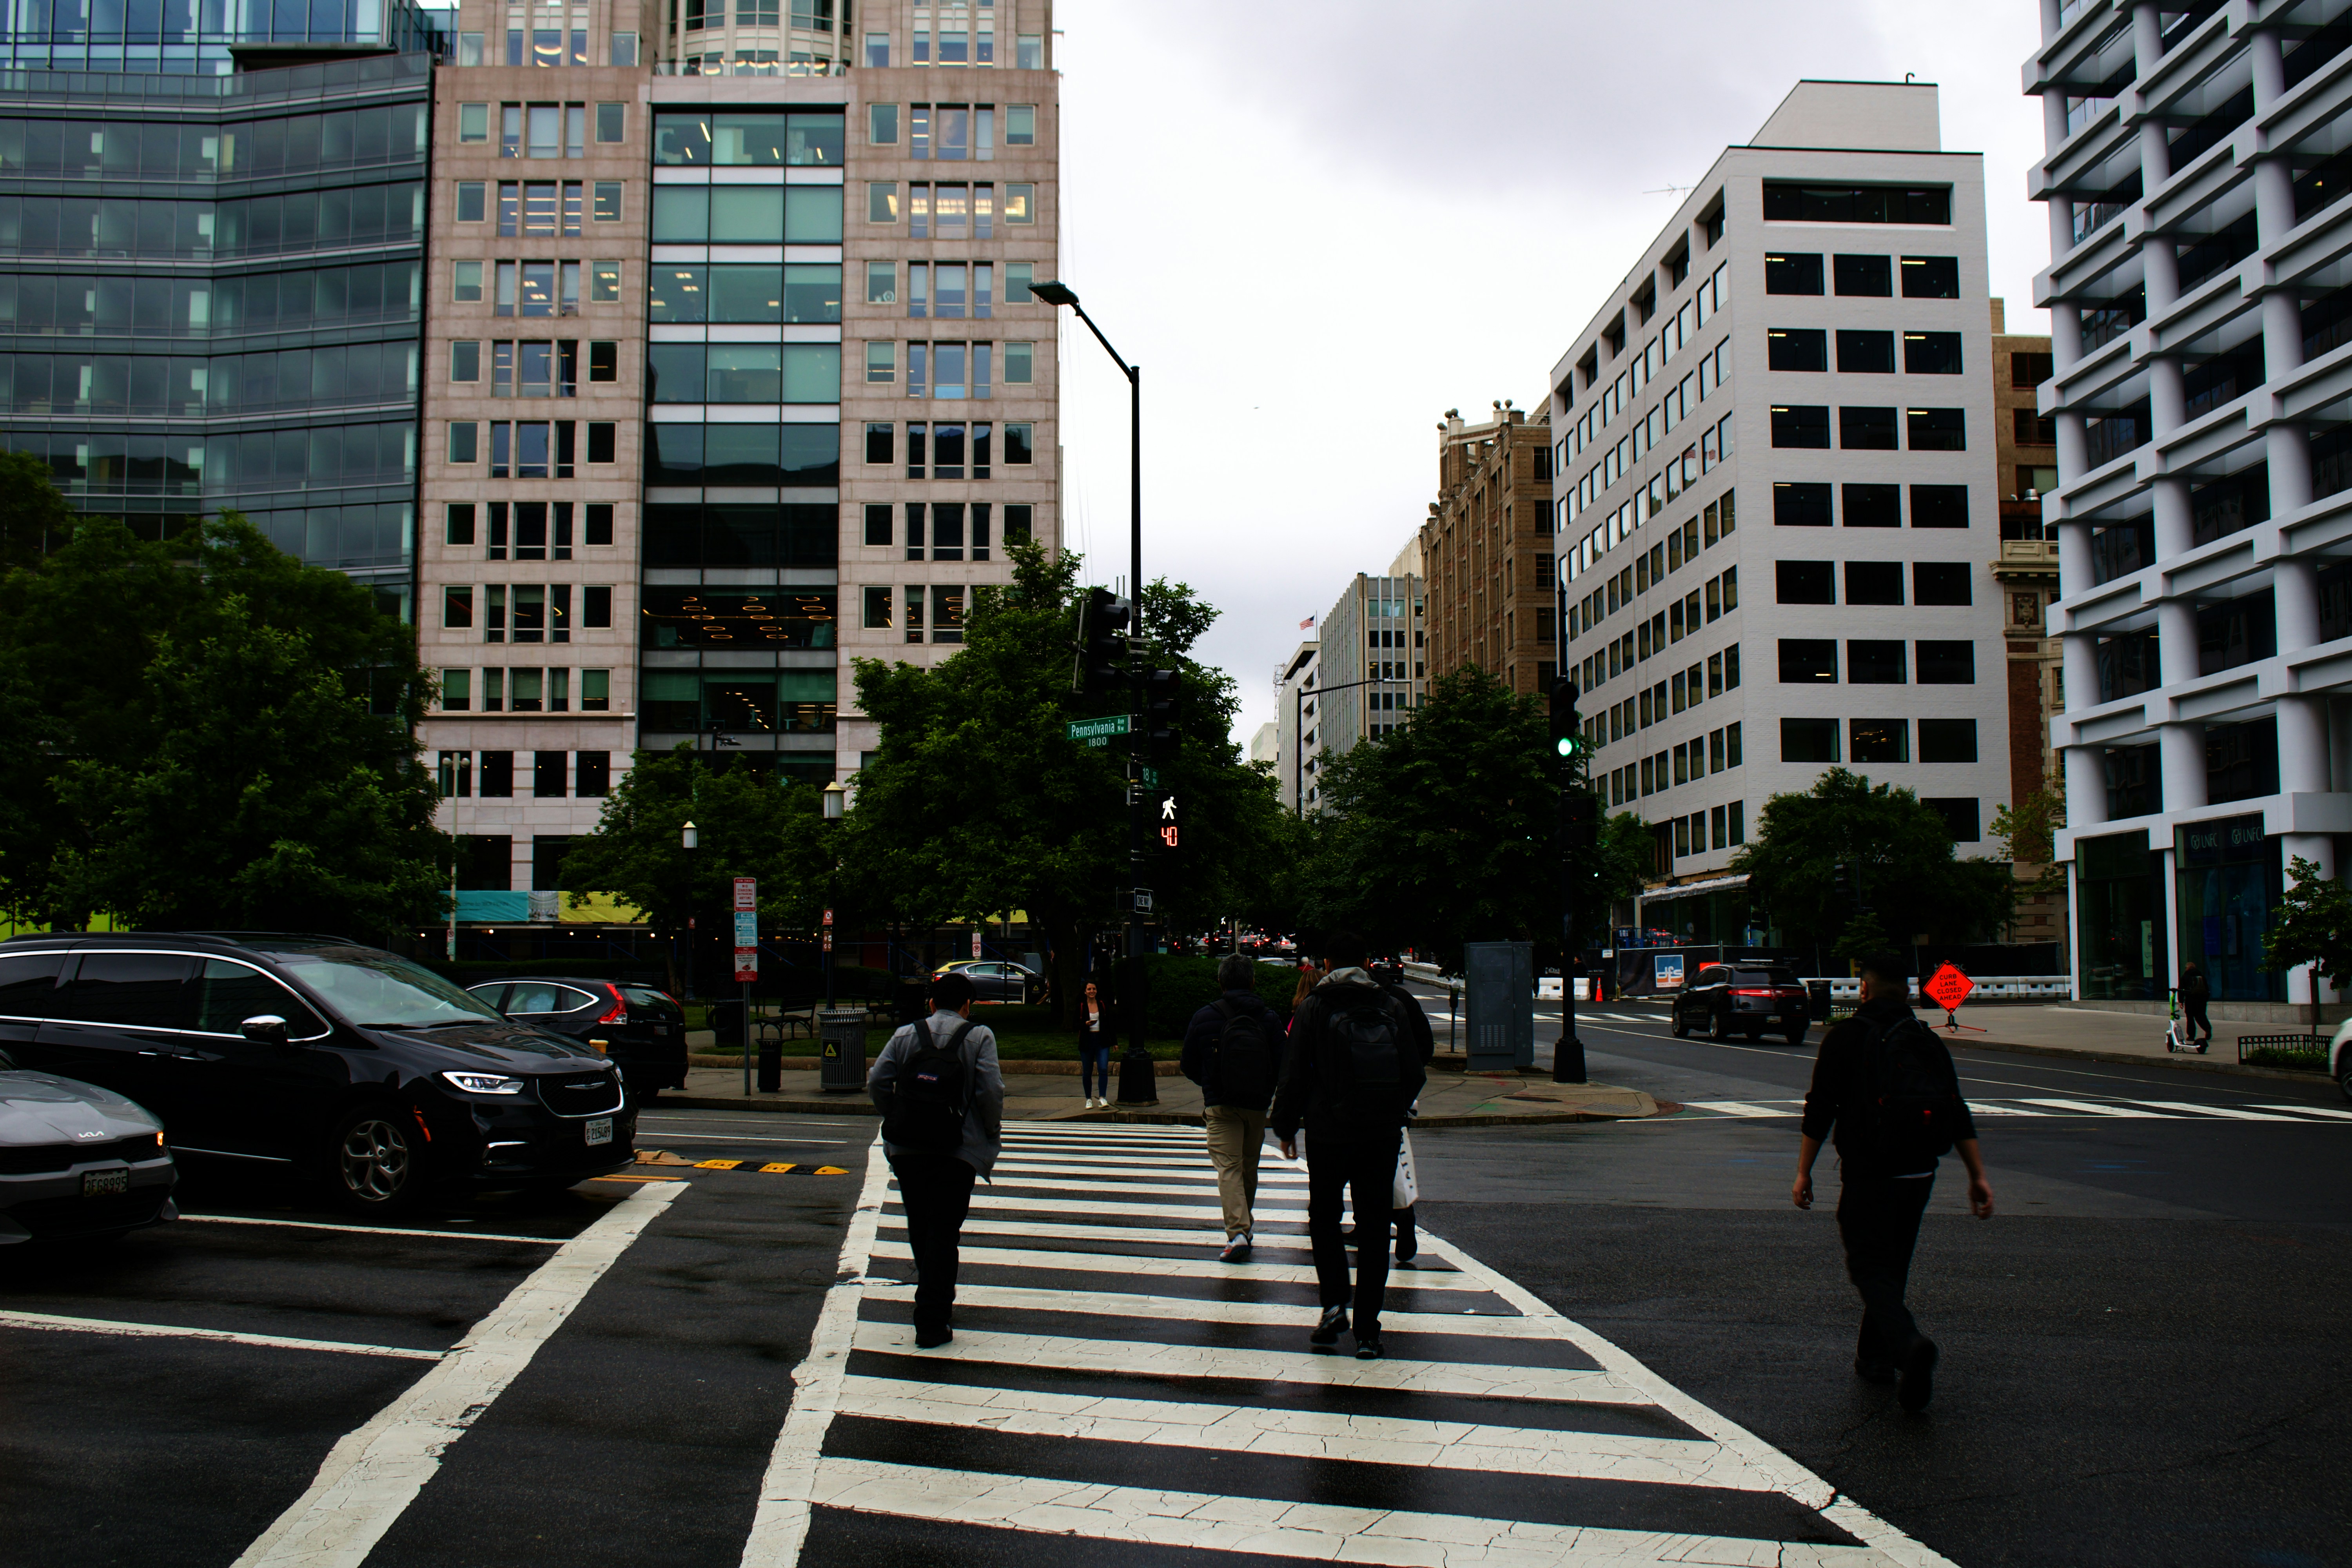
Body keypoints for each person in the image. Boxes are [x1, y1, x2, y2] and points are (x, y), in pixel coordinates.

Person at [1793, 953, 1993, 1412]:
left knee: (1869, 1267)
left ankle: (1907, 1346)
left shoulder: (1844, 1038)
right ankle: (1875, 1356)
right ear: (1906, 992)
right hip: (1921, 1172)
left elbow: (1820, 1108)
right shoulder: (1926, 1041)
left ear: (1864, 990)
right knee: (1894, 1265)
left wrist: (1804, 1171)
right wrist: (1977, 1175)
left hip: (1869, 1172)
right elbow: (1955, 1109)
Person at [1272, 931, 1432, 1359]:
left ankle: (1332, 1304)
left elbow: (1293, 1074)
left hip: (1328, 1130)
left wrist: (1286, 1126)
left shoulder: (1313, 1008)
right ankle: (1368, 1331)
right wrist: (1393, 1110)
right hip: (1380, 1134)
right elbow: (1415, 1071)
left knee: (1325, 1217)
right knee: (1376, 1227)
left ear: (1326, 964)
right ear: (1366, 962)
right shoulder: (1390, 1005)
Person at [868, 970, 1004, 1348]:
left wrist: (895, 1114)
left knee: (921, 1224)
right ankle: (932, 1316)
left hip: (908, 1148)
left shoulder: (905, 1034)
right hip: (956, 1150)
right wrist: (989, 1131)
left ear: (930, 1004)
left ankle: (931, 1291)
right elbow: (990, 1090)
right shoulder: (979, 1037)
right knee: (945, 1230)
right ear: (967, 1006)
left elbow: (879, 1081)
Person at [1181, 954, 1285, 1262]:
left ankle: (1238, 1231)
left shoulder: (1204, 1017)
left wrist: (1212, 1083)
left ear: (1221, 982)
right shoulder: (1269, 1019)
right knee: (1248, 1166)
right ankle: (1245, 1224)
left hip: (1221, 1105)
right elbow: (1283, 1064)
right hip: (1256, 1105)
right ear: (1253, 981)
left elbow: (1188, 1064)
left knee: (1228, 1167)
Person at [1075, 978, 1112, 1108]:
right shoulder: (1081, 1005)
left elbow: (1109, 1023)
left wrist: (1114, 1042)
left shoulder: (1102, 1004)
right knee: (1087, 1071)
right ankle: (1088, 1099)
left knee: (1103, 1069)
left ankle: (1103, 1097)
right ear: (1085, 991)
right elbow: (1075, 1024)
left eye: (1094, 989)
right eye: (1089, 989)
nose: (1092, 991)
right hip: (1087, 1041)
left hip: (1102, 1041)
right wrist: (1085, 1025)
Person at [2180, 963, 2213, 1048]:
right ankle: (2207, 1029)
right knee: (2201, 1016)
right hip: (2201, 1000)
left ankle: (2191, 1036)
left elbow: (2181, 989)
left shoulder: (2185, 977)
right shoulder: (2202, 977)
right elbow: (2207, 989)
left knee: (2190, 1018)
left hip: (2190, 1000)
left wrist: (2181, 1001)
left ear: (2187, 969)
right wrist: (2205, 999)